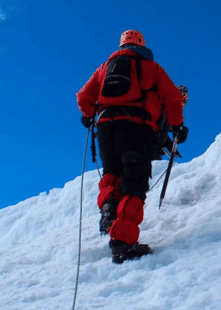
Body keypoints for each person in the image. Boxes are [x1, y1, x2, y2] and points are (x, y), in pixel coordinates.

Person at [77, 29, 188, 263]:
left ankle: (109, 209)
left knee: (111, 174)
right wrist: (177, 127)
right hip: (138, 128)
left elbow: (84, 96)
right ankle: (123, 243)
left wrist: (88, 115)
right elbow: (172, 98)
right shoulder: (151, 68)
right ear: (142, 45)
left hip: (106, 128)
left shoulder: (103, 69)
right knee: (134, 183)